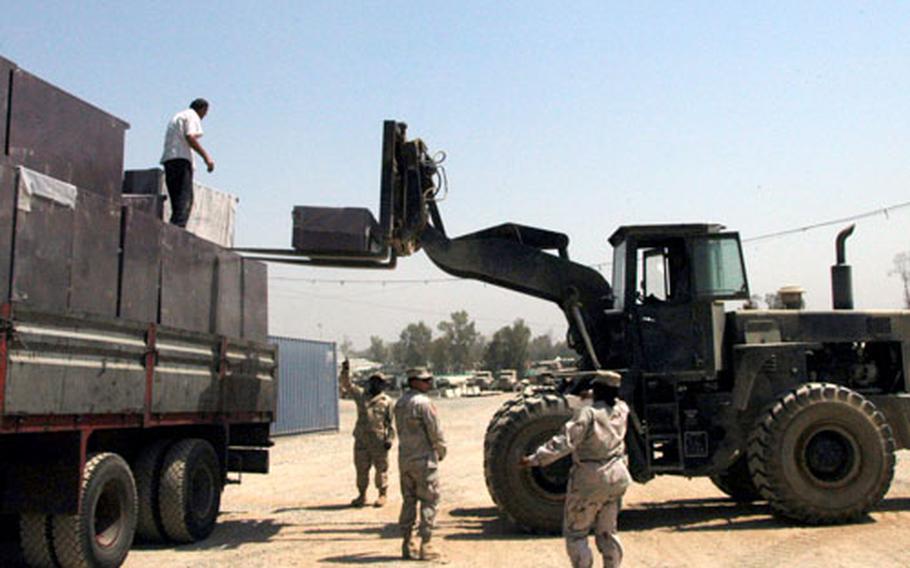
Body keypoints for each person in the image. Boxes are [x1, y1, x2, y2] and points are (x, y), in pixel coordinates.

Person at [520, 370, 631, 568]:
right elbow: (610, 400)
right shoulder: (622, 410)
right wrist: (592, 396)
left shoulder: (587, 414)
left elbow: (565, 442)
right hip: (618, 476)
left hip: (591, 478)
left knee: (576, 533)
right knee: (608, 532)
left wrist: (535, 459)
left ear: (597, 390)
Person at [395, 367, 446, 561]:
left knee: (408, 500)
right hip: (424, 461)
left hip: (405, 460)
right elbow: (434, 430)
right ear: (414, 381)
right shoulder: (423, 403)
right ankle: (426, 544)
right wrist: (441, 450)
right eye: (425, 380)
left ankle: (407, 543)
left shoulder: (400, 403)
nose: (428, 383)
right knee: (429, 500)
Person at [338, 361, 395, 507]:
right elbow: (347, 385)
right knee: (361, 469)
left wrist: (389, 439)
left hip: (379, 441)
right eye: (374, 381)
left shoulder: (387, 401)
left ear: (383, 385)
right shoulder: (361, 396)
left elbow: (390, 424)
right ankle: (362, 495)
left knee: (381, 469)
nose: (376, 384)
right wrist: (345, 371)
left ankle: (382, 494)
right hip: (362, 440)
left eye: (379, 382)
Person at [160, 98, 215, 228]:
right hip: (181, 160)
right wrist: (206, 157)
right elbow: (190, 136)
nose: (204, 117)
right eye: (205, 113)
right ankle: (177, 232)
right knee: (185, 200)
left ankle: (173, 229)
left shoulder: (178, 116)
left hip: (169, 160)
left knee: (177, 201)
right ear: (202, 109)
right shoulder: (192, 115)